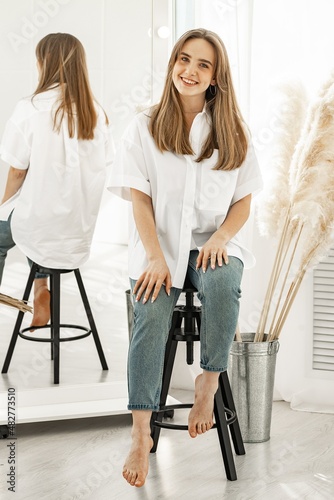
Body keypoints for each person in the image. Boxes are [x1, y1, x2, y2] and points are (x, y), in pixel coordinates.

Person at [108, 28, 262, 487]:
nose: (190, 71)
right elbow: (139, 200)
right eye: (184, 59)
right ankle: (140, 433)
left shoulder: (233, 129)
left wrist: (221, 237)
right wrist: (155, 258)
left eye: (203, 65)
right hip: (159, 246)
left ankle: (207, 384)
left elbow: (244, 200)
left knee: (221, 286)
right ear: (174, 62)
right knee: (150, 313)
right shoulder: (145, 125)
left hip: (214, 243)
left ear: (216, 77)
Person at [0, 33, 113, 327]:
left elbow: (17, 171)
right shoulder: (96, 113)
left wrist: (3, 207)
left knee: (15, 222)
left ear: (43, 63)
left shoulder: (31, 108)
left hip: (40, 225)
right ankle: (40, 288)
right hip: (77, 231)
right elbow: (104, 166)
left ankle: (40, 286)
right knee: (35, 219)